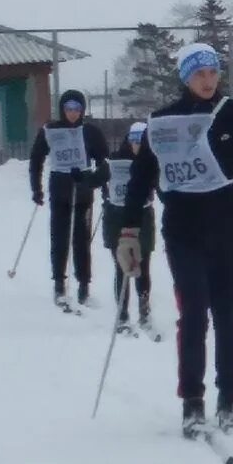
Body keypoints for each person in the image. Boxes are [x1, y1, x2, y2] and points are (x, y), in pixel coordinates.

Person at [116, 43, 233, 437]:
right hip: (183, 228)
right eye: (199, 73)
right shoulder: (163, 120)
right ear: (186, 77)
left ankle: (228, 394)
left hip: (230, 227)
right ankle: (192, 399)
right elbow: (141, 179)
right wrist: (129, 232)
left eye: (213, 72)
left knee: (228, 314)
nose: (207, 80)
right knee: (194, 313)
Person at [29, 89, 111, 310]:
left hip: (83, 189)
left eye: (77, 108)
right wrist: (36, 189)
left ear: (82, 110)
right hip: (60, 189)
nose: (73, 113)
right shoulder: (51, 130)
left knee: (81, 240)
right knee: (60, 238)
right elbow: (36, 159)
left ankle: (84, 286)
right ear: (62, 109)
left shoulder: (91, 131)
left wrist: (103, 186)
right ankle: (59, 284)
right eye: (69, 108)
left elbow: (104, 162)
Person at [102, 121, 156, 332]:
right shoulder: (116, 159)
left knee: (143, 266)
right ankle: (122, 314)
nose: (136, 144)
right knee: (121, 265)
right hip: (117, 216)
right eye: (133, 139)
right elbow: (100, 177)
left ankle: (144, 310)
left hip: (143, 216)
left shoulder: (151, 161)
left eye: (141, 140)